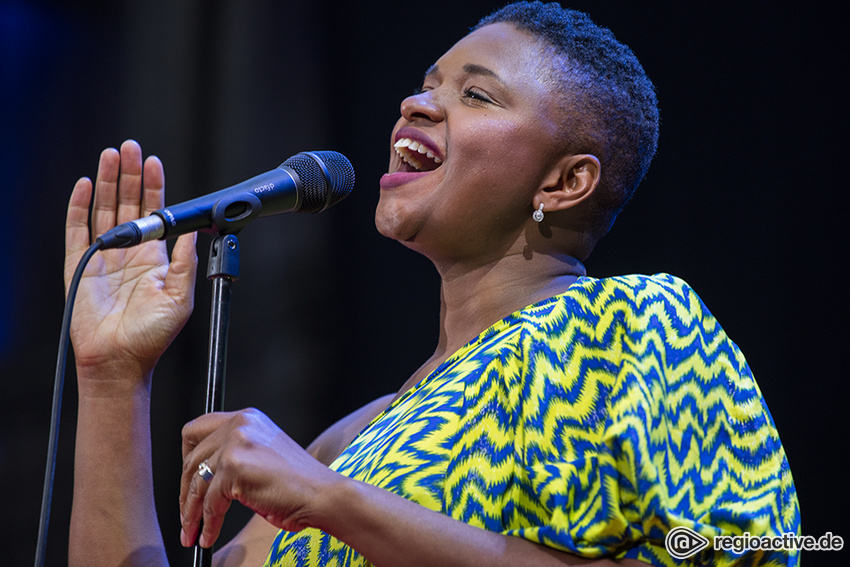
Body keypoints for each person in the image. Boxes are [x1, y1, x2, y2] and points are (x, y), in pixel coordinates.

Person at [64, 2, 799, 566]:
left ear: (566, 180)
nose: (416, 105)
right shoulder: (353, 439)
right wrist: (111, 379)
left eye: (478, 96)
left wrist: (332, 501)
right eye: (425, 86)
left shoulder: (636, 322)